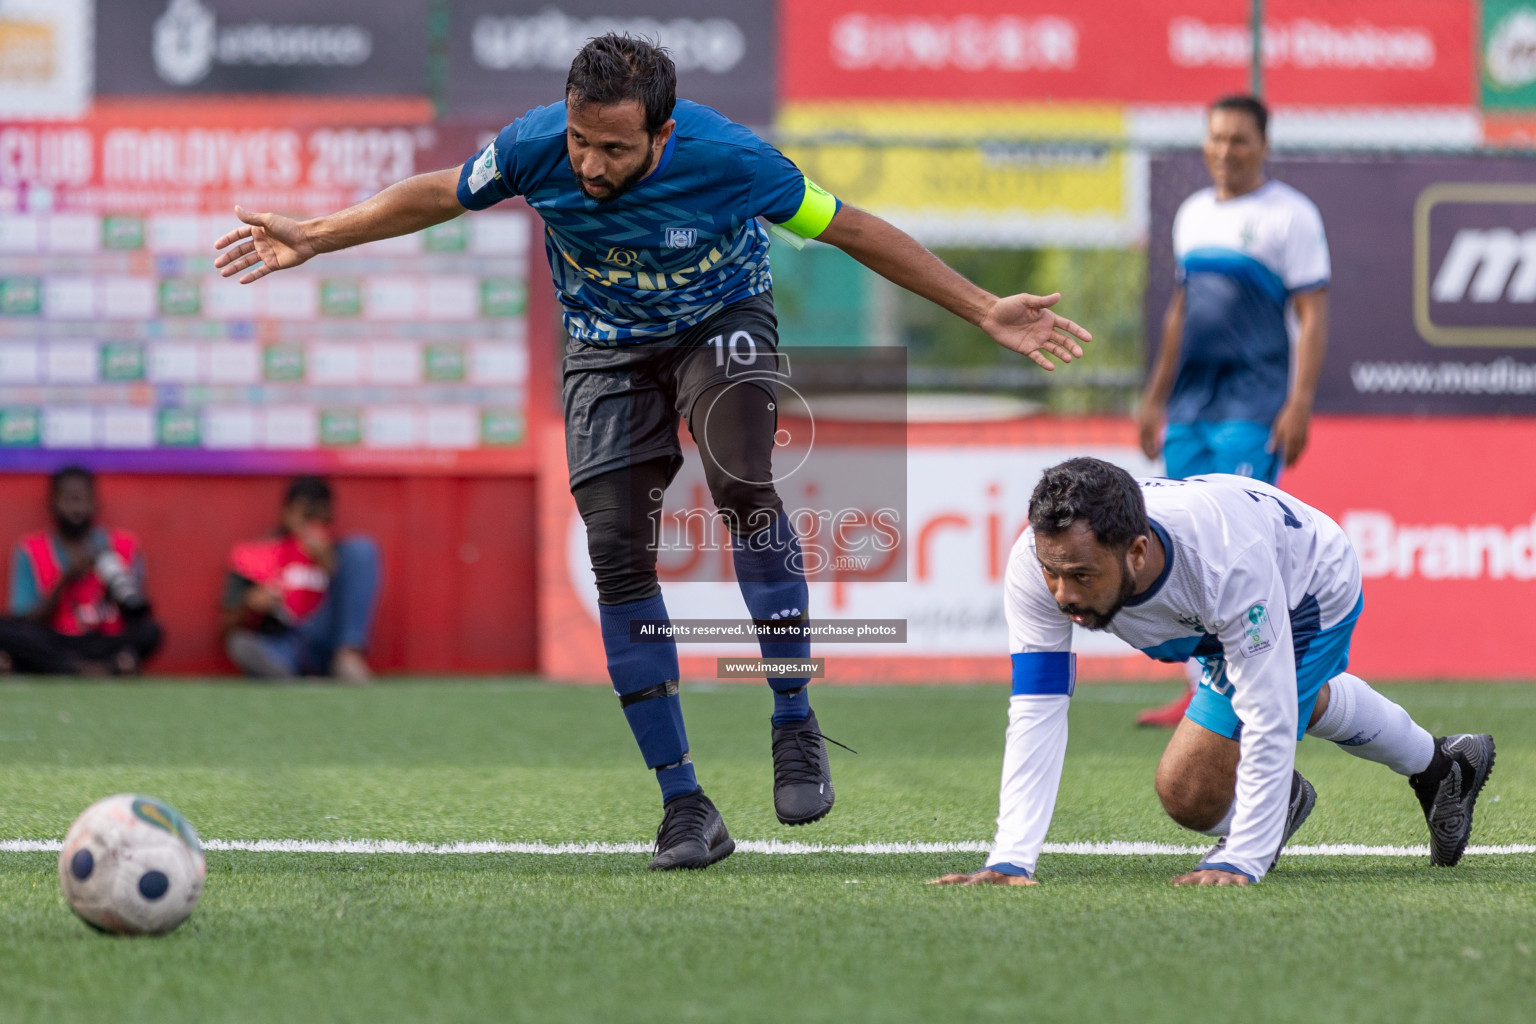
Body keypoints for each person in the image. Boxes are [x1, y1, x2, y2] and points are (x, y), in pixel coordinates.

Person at [211, 34, 1093, 870]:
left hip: (721, 321)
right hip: (604, 346)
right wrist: (319, 234)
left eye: (614, 149)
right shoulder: (532, 148)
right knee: (616, 556)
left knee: (744, 483)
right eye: (580, 141)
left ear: (664, 134)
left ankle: (793, 716)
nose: (590, 165)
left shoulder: (736, 162)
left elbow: (848, 228)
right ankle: (686, 805)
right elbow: (442, 191)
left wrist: (981, 307)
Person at [931, 458, 1493, 888]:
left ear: (1137, 550)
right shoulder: (1036, 562)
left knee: (1191, 791)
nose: (1064, 595)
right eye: (1053, 573)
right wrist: (1010, 857)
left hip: (1306, 589)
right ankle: (1445, 766)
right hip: (1204, 614)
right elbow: (1037, 705)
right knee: (1277, 699)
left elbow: (1268, 712)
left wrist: (1243, 855)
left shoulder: (1227, 563)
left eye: (1081, 575)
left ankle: (1418, 771)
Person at [1134, 95, 1331, 728]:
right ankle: (1201, 693)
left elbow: (1312, 315)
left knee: (1239, 543)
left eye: (1239, 139)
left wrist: (1299, 402)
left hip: (1253, 404)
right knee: (1181, 542)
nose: (1225, 150)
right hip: (1190, 406)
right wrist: (1155, 397)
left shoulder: (1291, 216)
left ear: (1263, 144)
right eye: (1216, 138)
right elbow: (1181, 310)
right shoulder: (1192, 215)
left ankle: (1258, 687)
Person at [0, 466, 162, 675]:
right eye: (68, 499)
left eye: (82, 499)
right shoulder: (31, 549)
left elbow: (140, 616)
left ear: (95, 503)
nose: (76, 508)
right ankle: (93, 668)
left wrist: (117, 590)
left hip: (105, 640)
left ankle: (74, 667)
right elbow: (24, 620)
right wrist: (66, 580)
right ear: (52, 503)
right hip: (55, 641)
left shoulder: (123, 546)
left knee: (151, 632)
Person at [222, 476, 380, 683]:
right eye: (305, 515)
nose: (312, 525)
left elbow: (351, 598)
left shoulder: (341, 554)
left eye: (321, 517)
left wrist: (331, 567)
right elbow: (225, 626)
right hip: (285, 640)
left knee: (363, 548)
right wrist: (249, 604)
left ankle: (348, 656)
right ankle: (281, 671)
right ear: (286, 513)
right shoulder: (257, 556)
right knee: (241, 644)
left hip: (326, 637)